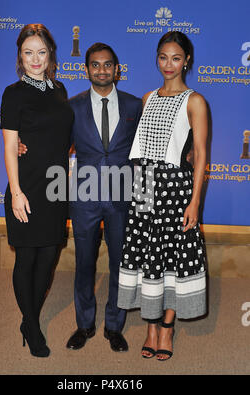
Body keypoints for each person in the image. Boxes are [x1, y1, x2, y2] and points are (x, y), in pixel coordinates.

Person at [19, 42, 142, 352]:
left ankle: (114, 326)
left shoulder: (133, 106)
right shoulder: (71, 107)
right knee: (84, 264)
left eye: (107, 64)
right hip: (85, 197)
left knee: (119, 264)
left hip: (122, 197)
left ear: (117, 69)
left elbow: (147, 148)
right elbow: (54, 143)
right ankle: (84, 324)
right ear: (86, 69)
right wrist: (23, 145)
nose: (101, 70)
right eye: (95, 65)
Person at [117, 31, 208, 361]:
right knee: (146, 257)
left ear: (187, 61)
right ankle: (150, 325)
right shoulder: (147, 97)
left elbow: (199, 154)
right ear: (157, 59)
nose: (169, 64)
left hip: (175, 189)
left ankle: (166, 329)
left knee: (170, 257)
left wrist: (195, 201)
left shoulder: (195, 101)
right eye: (163, 57)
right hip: (143, 185)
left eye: (176, 58)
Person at [0, 24, 74, 358]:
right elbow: (10, 144)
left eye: (41, 52)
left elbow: (62, 135)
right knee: (27, 257)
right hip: (26, 187)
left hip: (56, 187)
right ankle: (31, 325)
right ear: (20, 55)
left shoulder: (60, 89)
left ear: (51, 55)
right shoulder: (13, 93)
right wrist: (16, 192)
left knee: (48, 258)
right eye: (28, 52)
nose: (35, 59)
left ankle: (29, 318)